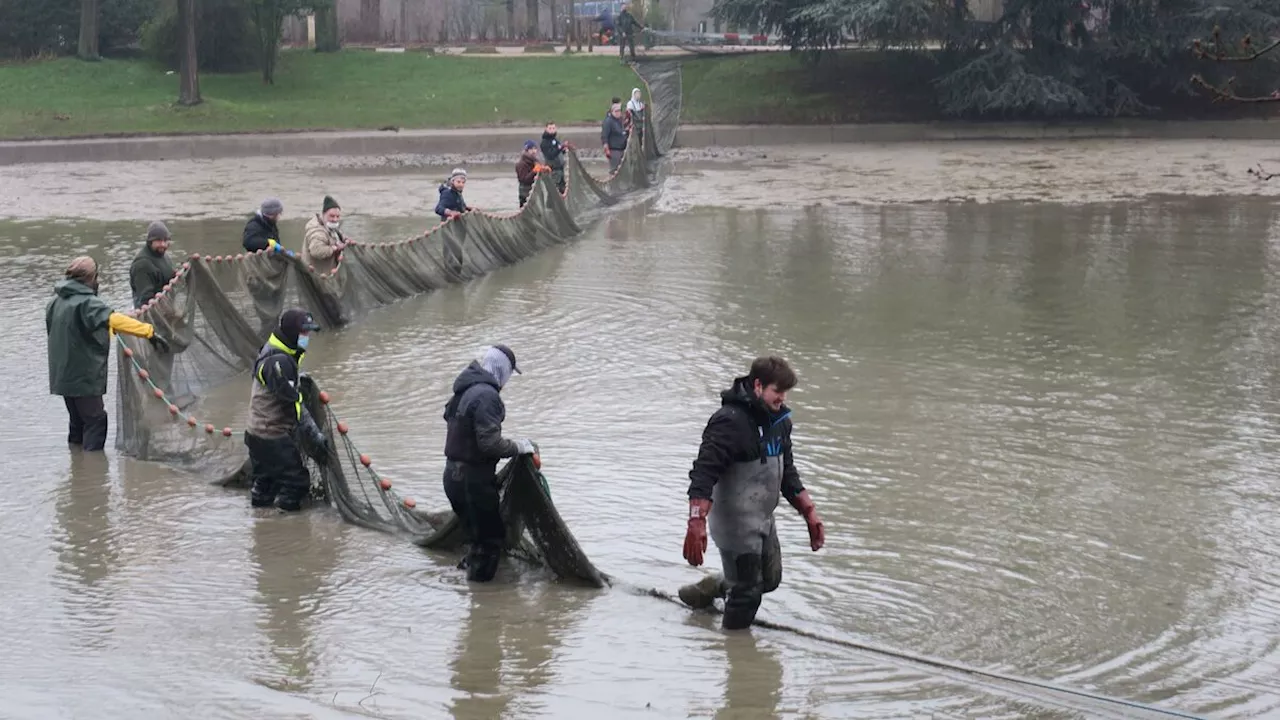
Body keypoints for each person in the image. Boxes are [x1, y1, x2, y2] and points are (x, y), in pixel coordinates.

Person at [678, 356, 826, 630]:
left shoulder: (780, 422)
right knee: (747, 595)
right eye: (777, 391)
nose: (782, 398)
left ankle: (706, 590)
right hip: (734, 521)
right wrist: (695, 522)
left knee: (770, 580)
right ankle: (737, 655)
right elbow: (703, 473)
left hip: (762, 517)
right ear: (758, 385)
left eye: (785, 392)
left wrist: (809, 512)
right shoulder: (729, 422)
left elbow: (788, 471)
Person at [47, 256, 170, 452]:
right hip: (84, 376)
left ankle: (77, 468)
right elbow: (113, 320)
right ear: (89, 278)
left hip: (62, 376)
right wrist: (149, 332)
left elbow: (69, 330)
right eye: (96, 277)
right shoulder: (87, 303)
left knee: (77, 421)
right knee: (96, 420)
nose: (98, 282)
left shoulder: (55, 302)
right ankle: (93, 474)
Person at [442, 344, 537, 582]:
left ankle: (467, 591)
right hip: (473, 482)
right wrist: (519, 446)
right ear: (502, 369)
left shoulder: (464, 390)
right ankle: (482, 606)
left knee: (477, 538)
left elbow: (452, 420)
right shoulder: (487, 395)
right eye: (509, 373)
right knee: (490, 541)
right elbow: (489, 444)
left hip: (452, 478)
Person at [244, 308, 330, 512]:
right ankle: (285, 532)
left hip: (255, 432)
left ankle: (260, 522)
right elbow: (292, 404)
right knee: (297, 483)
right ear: (292, 333)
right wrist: (313, 434)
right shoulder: (279, 361)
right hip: (271, 435)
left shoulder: (277, 348)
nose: (307, 337)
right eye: (304, 333)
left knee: (266, 483)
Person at [129, 221, 176, 309]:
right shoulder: (142, 264)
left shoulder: (163, 255)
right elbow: (145, 299)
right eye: (158, 240)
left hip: (166, 306)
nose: (162, 244)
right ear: (150, 242)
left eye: (165, 240)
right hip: (151, 314)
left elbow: (169, 275)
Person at [302, 195, 351, 275]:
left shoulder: (329, 224)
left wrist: (345, 239)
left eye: (337, 216)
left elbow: (337, 233)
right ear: (323, 214)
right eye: (332, 216)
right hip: (316, 276)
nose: (335, 219)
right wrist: (335, 248)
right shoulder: (317, 232)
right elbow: (316, 251)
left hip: (330, 272)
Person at [540, 122, 571, 195]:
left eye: (553, 128)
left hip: (560, 170)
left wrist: (564, 149)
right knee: (554, 193)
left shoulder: (555, 140)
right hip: (553, 171)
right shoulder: (544, 142)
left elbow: (558, 152)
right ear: (546, 129)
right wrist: (560, 148)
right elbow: (550, 155)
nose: (552, 130)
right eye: (550, 128)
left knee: (563, 190)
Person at [514, 140, 547, 208]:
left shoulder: (535, 162)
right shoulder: (521, 164)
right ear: (527, 150)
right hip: (525, 194)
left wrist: (545, 170)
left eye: (535, 149)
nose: (534, 151)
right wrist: (534, 171)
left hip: (535, 192)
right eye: (531, 149)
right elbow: (523, 180)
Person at [601, 102, 630, 174]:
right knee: (614, 171)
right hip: (614, 150)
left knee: (623, 171)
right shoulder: (608, 121)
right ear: (612, 111)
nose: (618, 113)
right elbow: (604, 136)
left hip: (622, 149)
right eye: (616, 111)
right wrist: (606, 149)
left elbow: (621, 132)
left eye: (619, 110)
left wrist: (627, 131)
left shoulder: (619, 121)